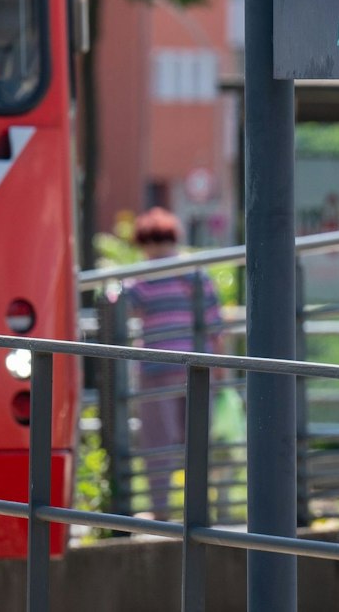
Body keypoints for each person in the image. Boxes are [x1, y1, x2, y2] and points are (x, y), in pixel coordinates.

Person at [122, 207, 221, 519]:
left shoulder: (142, 279)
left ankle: (161, 511)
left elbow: (120, 307)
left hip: (157, 367)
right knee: (197, 441)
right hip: (197, 367)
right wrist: (219, 369)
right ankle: (200, 510)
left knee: (158, 444)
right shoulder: (196, 275)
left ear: (145, 242)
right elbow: (215, 324)